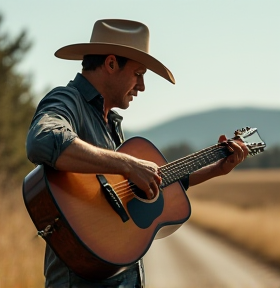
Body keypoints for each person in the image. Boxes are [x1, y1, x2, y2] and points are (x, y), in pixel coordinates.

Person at [26, 19, 248, 288]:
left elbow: (145, 186)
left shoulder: (110, 122)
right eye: (138, 73)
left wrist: (216, 168)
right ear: (110, 64)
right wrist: (128, 165)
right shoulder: (66, 100)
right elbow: (42, 140)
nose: (142, 86)